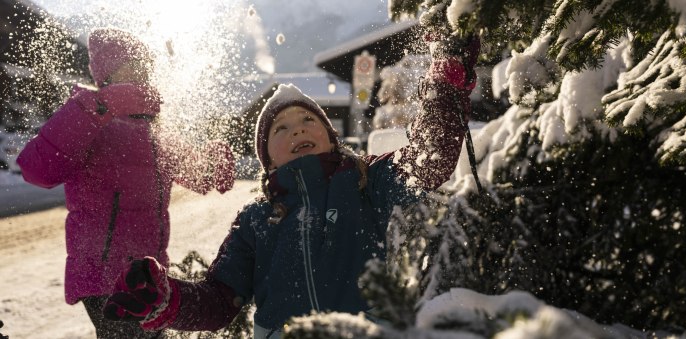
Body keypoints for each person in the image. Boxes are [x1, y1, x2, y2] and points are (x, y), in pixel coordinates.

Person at [102, 33, 480, 339]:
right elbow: (220, 301)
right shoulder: (254, 222)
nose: (297, 128)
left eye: (306, 120)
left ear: (331, 139)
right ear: (268, 160)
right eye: (280, 129)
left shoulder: (367, 183)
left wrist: (445, 87)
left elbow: (428, 159)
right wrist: (169, 301)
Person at [16, 27, 235, 339]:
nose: (142, 73)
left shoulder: (155, 131)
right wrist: (98, 107)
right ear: (107, 72)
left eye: (145, 66)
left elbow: (195, 174)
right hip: (103, 275)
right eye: (132, 64)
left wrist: (213, 165)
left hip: (149, 274)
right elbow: (36, 170)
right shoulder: (89, 117)